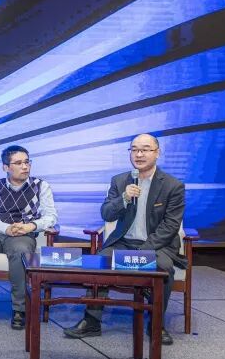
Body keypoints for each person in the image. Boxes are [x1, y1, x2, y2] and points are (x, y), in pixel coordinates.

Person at [64, 134, 183, 346]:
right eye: (134, 149)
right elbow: (106, 214)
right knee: (99, 263)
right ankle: (92, 321)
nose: (139, 154)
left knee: (164, 268)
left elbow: (170, 226)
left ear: (157, 153)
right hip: (123, 242)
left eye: (145, 149)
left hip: (157, 245)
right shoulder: (119, 181)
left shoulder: (173, 186)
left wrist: (143, 251)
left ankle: (156, 324)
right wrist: (124, 198)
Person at [0, 145, 58, 331]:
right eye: (19, 163)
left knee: (20, 251)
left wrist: (31, 226)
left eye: (27, 162)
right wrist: (6, 228)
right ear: (6, 167)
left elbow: (51, 216)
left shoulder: (41, 186)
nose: (25, 166)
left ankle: (19, 309)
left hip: (23, 233)